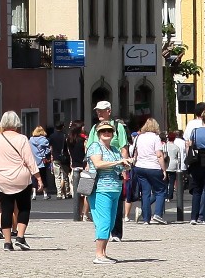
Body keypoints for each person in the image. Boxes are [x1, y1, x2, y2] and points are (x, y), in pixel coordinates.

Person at [0, 110, 40, 251]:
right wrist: (38, 177)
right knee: (23, 207)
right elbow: (30, 160)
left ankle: (7, 242)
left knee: (6, 209)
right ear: (17, 123)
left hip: (2, 178)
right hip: (21, 177)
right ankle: (20, 237)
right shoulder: (22, 139)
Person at [86, 102, 128, 262]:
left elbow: (119, 163)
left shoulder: (115, 150)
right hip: (101, 188)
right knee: (103, 222)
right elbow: (97, 164)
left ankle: (103, 253)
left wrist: (125, 165)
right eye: (103, 131)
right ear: (98, 133)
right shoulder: (96, 147)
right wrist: (118, 163)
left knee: (110, 223)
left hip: (114, 188)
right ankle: (98, 254)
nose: (106, 133)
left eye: (109, 131)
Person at [131, 114, 167, 224]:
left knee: (145, 193)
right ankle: (157, 214)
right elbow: (159, 155)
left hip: (140, 166)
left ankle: (146, 219)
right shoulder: (155, 138)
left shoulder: (138, 137)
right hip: (153, 167)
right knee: (160, 190)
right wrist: (164, 170)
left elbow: (135, 153)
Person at [62, 120, 88, 220]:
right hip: (84, 167)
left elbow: (68, 153)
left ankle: (79, 214)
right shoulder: (84, 139)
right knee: (86, 193)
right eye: (82, 127)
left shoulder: (69, 139)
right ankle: (85, 214)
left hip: (74, 167)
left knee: (78, 194)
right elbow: (87, 153)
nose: (84, 128)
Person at [164, 127, 189, 221]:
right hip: (174, 165)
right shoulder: (176, 147)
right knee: (171, 182)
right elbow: (179, 158)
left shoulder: (164, 146)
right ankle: (170, 195)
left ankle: (165, 195)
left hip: (166, 165)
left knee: (165, 181)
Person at [30, 123, 54, 198]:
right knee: (43, 177)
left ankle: (34, 194)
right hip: (42, 161)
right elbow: (47, 151)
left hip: (33, 161)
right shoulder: (44, 140)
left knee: (34, 177)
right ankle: (45, 194)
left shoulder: (30, 140)